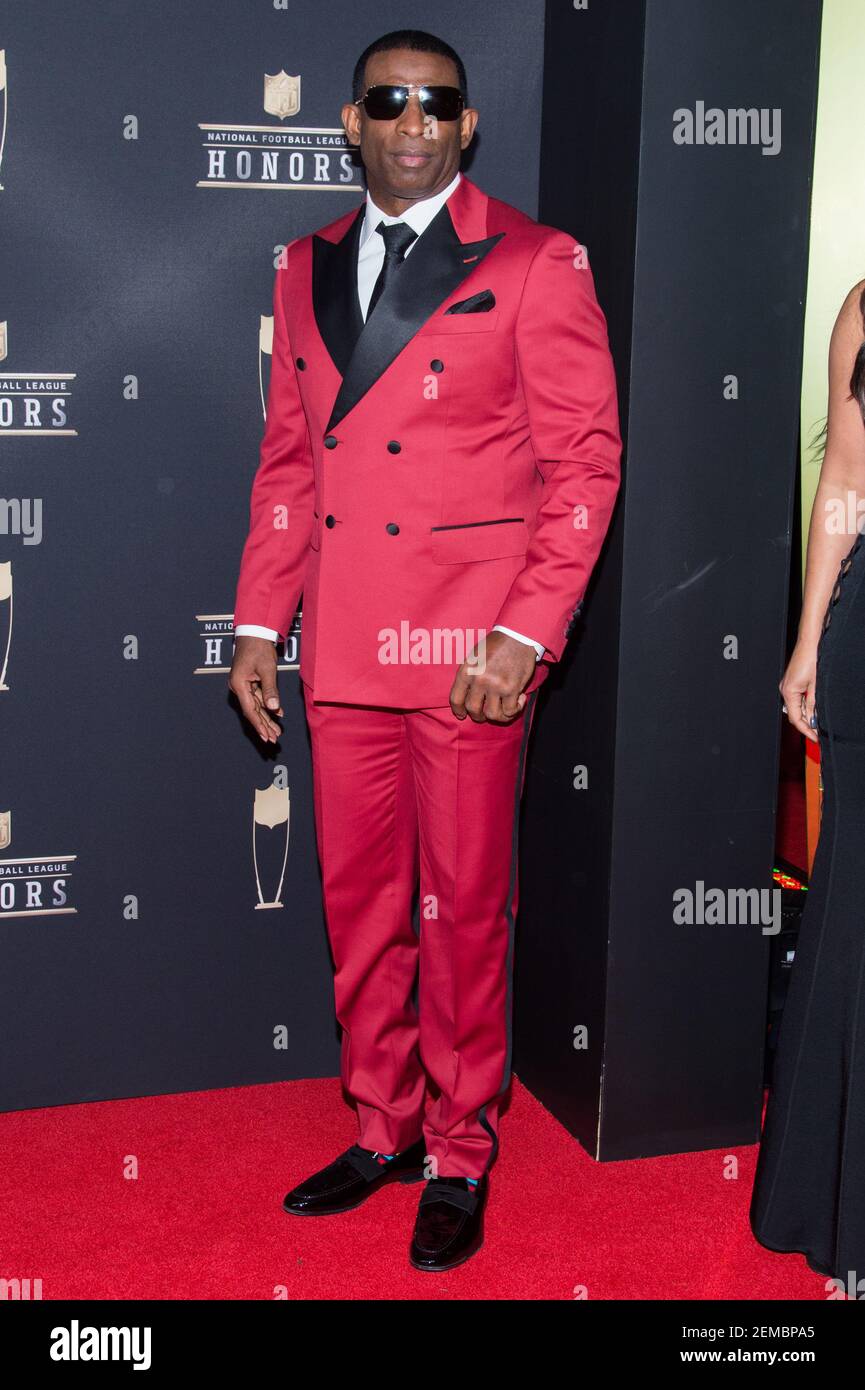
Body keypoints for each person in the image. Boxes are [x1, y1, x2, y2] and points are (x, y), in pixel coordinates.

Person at [229, 28, 621, 1273]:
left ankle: (460, 1147)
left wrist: (522, 633)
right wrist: (256, 618)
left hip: (468, 651)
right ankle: (382, 1122)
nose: (414, 121)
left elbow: (583, 470)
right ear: (349, 122)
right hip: (344, 646)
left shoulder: (536, 260)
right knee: (359, 910)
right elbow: (292, 460)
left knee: (459, 913)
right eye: (390, 101)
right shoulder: (303, 264)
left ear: (466, 126)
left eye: (438, 103)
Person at [751, 280, 865, 1285]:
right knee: (853, 919)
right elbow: (846, 480)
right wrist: (809, 639)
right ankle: (847, 1220)